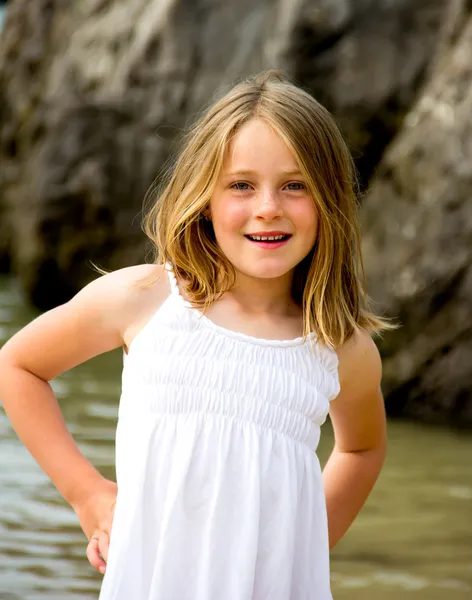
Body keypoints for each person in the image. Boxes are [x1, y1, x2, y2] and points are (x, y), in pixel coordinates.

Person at [0, 71, 390, 599]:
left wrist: (304, 548)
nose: (268, 206)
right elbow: (17, 366)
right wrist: (86, 494)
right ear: (204, 195)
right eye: (241, 185)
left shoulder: (338, 348)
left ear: (330, 202)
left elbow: (362, 449)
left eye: (295, 185)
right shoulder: (144, 300)